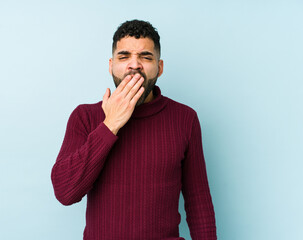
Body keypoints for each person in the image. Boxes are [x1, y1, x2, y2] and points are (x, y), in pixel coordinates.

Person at [51, 19, 217, 240]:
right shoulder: (85, 117)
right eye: (124, 56)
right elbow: (65, 192)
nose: (134, 65)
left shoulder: (185, 118)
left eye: (146, 57)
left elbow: (199, 202)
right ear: (111, 65)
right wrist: (110, 125)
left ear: (159, 67)